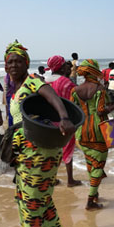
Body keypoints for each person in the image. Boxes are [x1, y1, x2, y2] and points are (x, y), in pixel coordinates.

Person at [5, 40, 77, 227]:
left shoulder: (33, 81)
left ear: (26, 63)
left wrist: (64, 117)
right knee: (42, 203)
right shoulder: (14, 88)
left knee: (31, 205)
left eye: (18, 61)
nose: (13, 65)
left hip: (39, 151)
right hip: (25, 153)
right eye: (10, 62)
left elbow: (52, 96)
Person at [71, 59, 114, 210]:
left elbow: (72, 110)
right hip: (98, 130)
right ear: (94, 71)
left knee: (90, 162)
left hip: (82, 130)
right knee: (98, 165)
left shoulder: (75, 90)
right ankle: (90, 201)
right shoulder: (99, 89)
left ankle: (94, 194)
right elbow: (101, 110)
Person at [46, 55, 81, 187]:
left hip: (47, 121)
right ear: (61, 67)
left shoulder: (43, 80)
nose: (68, 67)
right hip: (63, 119)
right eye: (65, 65)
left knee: (51, 151)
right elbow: (77, 97)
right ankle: (70, 180)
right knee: (67, 148)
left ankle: (51, 178)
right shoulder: (65, 82)